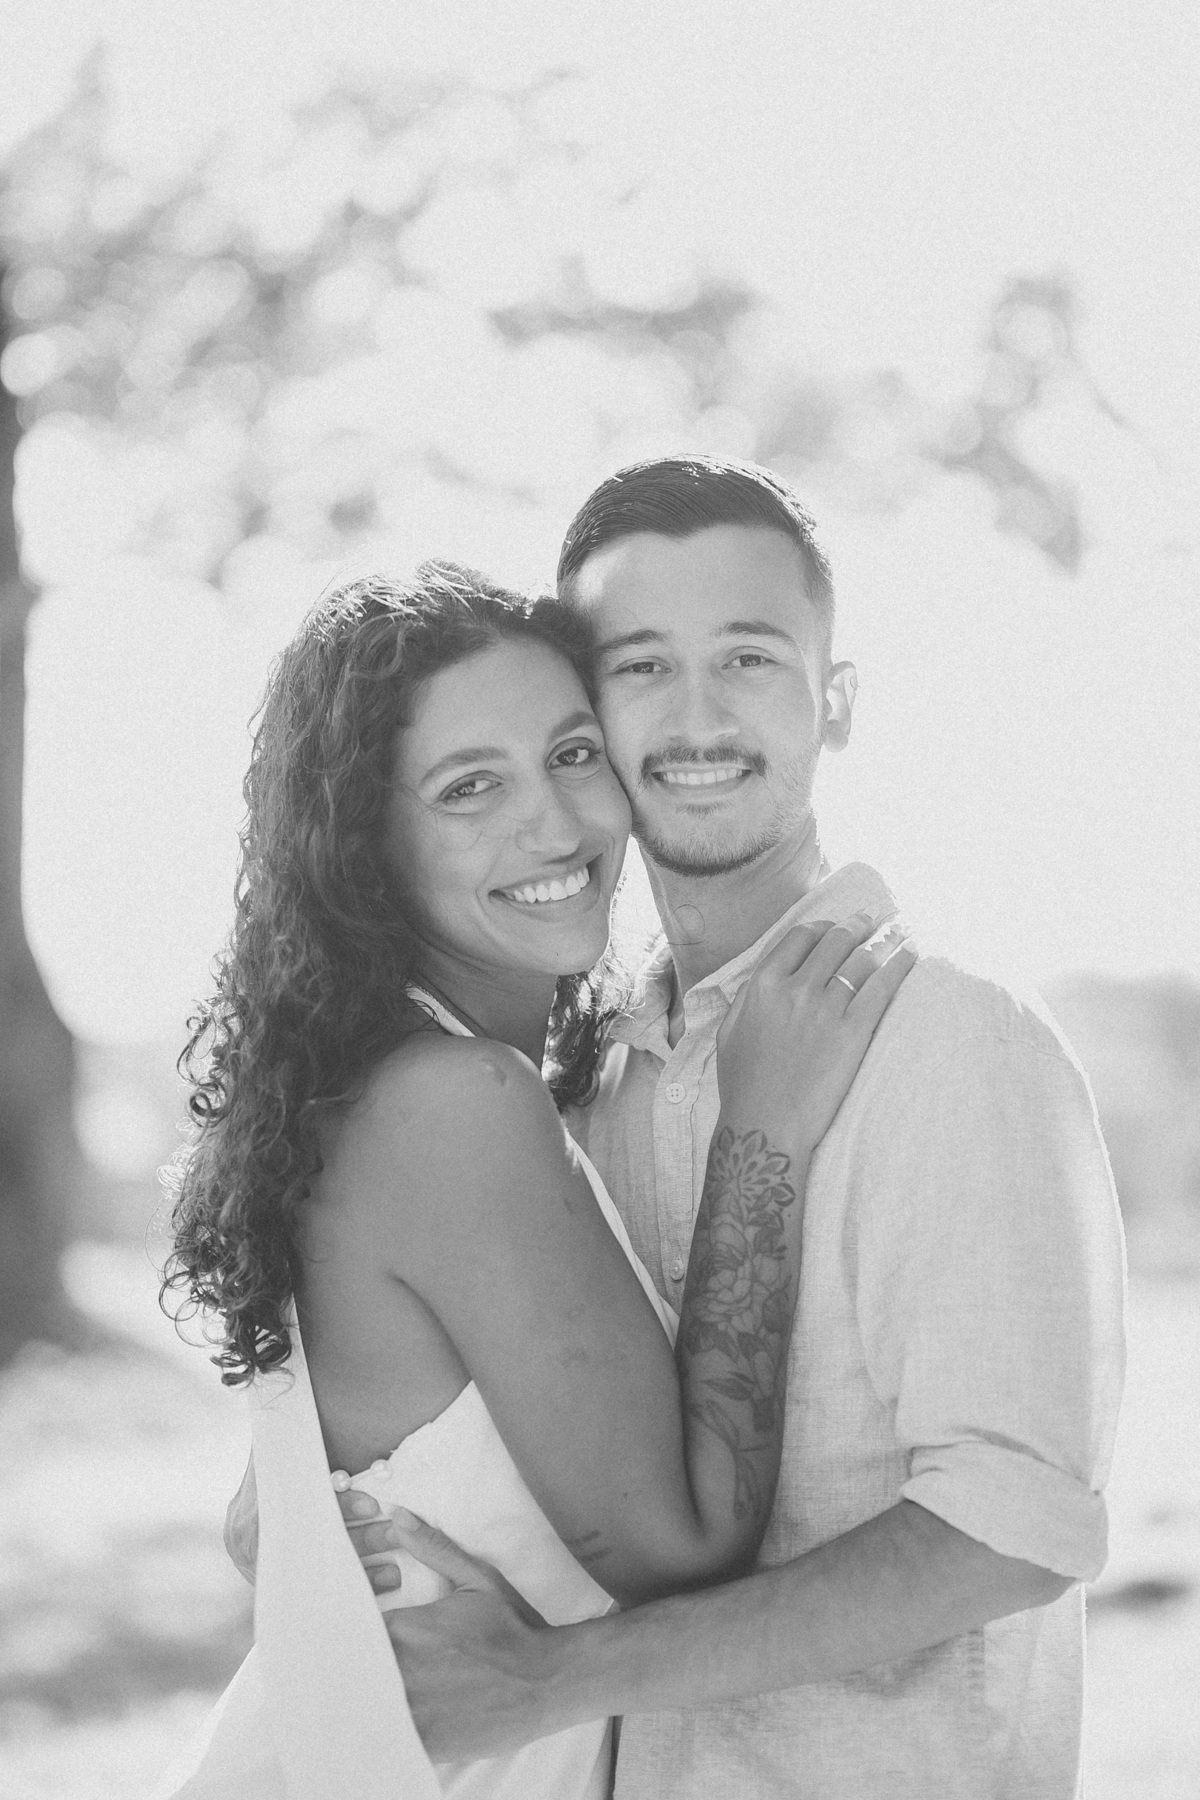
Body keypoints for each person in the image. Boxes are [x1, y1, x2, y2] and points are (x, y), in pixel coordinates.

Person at [336, 458, 1127, 1800]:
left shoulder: (957, 1039)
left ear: (836, 701)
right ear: (586, 715)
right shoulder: (585, 1072)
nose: (697, 717)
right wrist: (315, 1523)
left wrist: (558, 1679)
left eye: (749, 659)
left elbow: (1010, 1530)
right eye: (641, 666)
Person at [155, 558, 914, 1800]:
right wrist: (763, 1131)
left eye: (572, 754)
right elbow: (682, 1552)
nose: (556, 826)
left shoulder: (407, 1085)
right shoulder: (455, 1102)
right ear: (365, 845)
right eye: (470, 787)